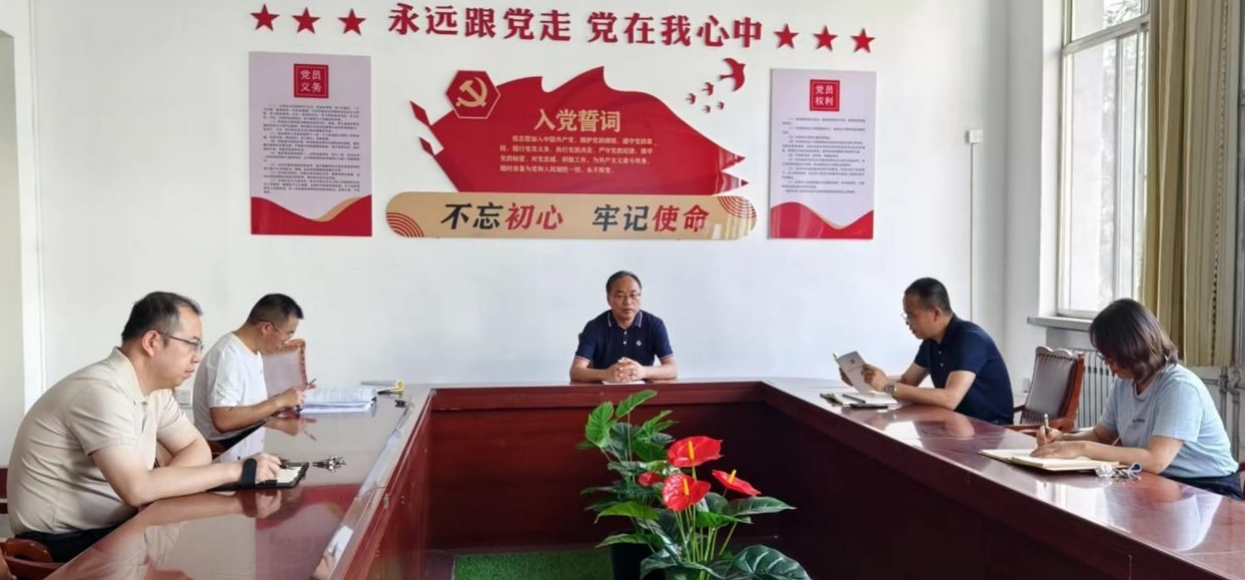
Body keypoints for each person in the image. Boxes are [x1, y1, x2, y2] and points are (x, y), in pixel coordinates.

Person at [5, 292, 282, 562]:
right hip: (63, 543)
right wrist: (236, 470)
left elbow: (196, 448)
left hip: (118, 527)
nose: (197, 357)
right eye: (192, 344)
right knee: (211, 555)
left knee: (210, 549)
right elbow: (136, 489)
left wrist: (158, 488)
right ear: (151, 341)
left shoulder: (156, 391)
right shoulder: (101, 391)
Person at [1034, 299, 1241, 499]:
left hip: (1209, 489)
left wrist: (1081, 448)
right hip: (1160, 482)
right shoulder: (1124, 383)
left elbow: (1155, 460)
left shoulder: (1179, 388)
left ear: (1134, 349)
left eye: (1112, 358)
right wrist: (1063, 440)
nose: (1108, 365)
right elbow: (1101, 436)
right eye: (1105, 358)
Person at [853, 277, 1015, 424]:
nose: (907, 322)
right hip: (956, 425)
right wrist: (865, 379)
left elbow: (950, 398)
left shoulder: (970, 339)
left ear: (936, 313)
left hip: (991, 430)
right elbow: (907, 381)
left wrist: (888, 386)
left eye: (911, 315)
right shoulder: (931, 341)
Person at [193, 294, 308, 446]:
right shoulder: (228, 356)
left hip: (247, 446)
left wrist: (280, 415)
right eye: (287, 335)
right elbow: (223, 421)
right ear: (266, 328)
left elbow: (248, 410)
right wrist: (279, 401)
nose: (286, 343)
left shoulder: (253, 352)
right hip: (225, 451)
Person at [570, 271, 678, 383]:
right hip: (604, 392)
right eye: (620, 296)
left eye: (633, 295)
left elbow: (672, 369)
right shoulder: (594, 327)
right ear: (608, 299)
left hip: (643, 391)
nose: (628, 302)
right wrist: (607, 374)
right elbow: (576, 371)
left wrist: (643, 372)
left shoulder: (654, 325)